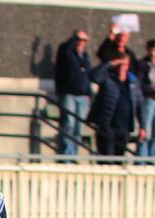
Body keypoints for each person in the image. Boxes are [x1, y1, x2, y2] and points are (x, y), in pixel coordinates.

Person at [87, 51, 145, 159]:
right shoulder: (107, 77)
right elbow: (94, 77)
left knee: (119, 159)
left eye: (125, 65)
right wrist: (109, 64)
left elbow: (139, 104)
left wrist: (143, 126)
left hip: (124, 127)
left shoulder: (133, 82)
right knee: (106, 159)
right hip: (107, 125)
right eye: (120, 64)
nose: (122, 68)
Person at [53, 29, 92, 157]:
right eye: (80, 40)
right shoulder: (67, 52)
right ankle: (66, 155)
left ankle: (73, 154)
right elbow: (65, 52)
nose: (82, 43)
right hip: (69, 93)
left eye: (84, 40)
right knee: (68, 124)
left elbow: (87, 76)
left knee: (78, 127)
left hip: (82, 95)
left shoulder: (84, 56)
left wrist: (88, 93)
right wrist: (74, 38)